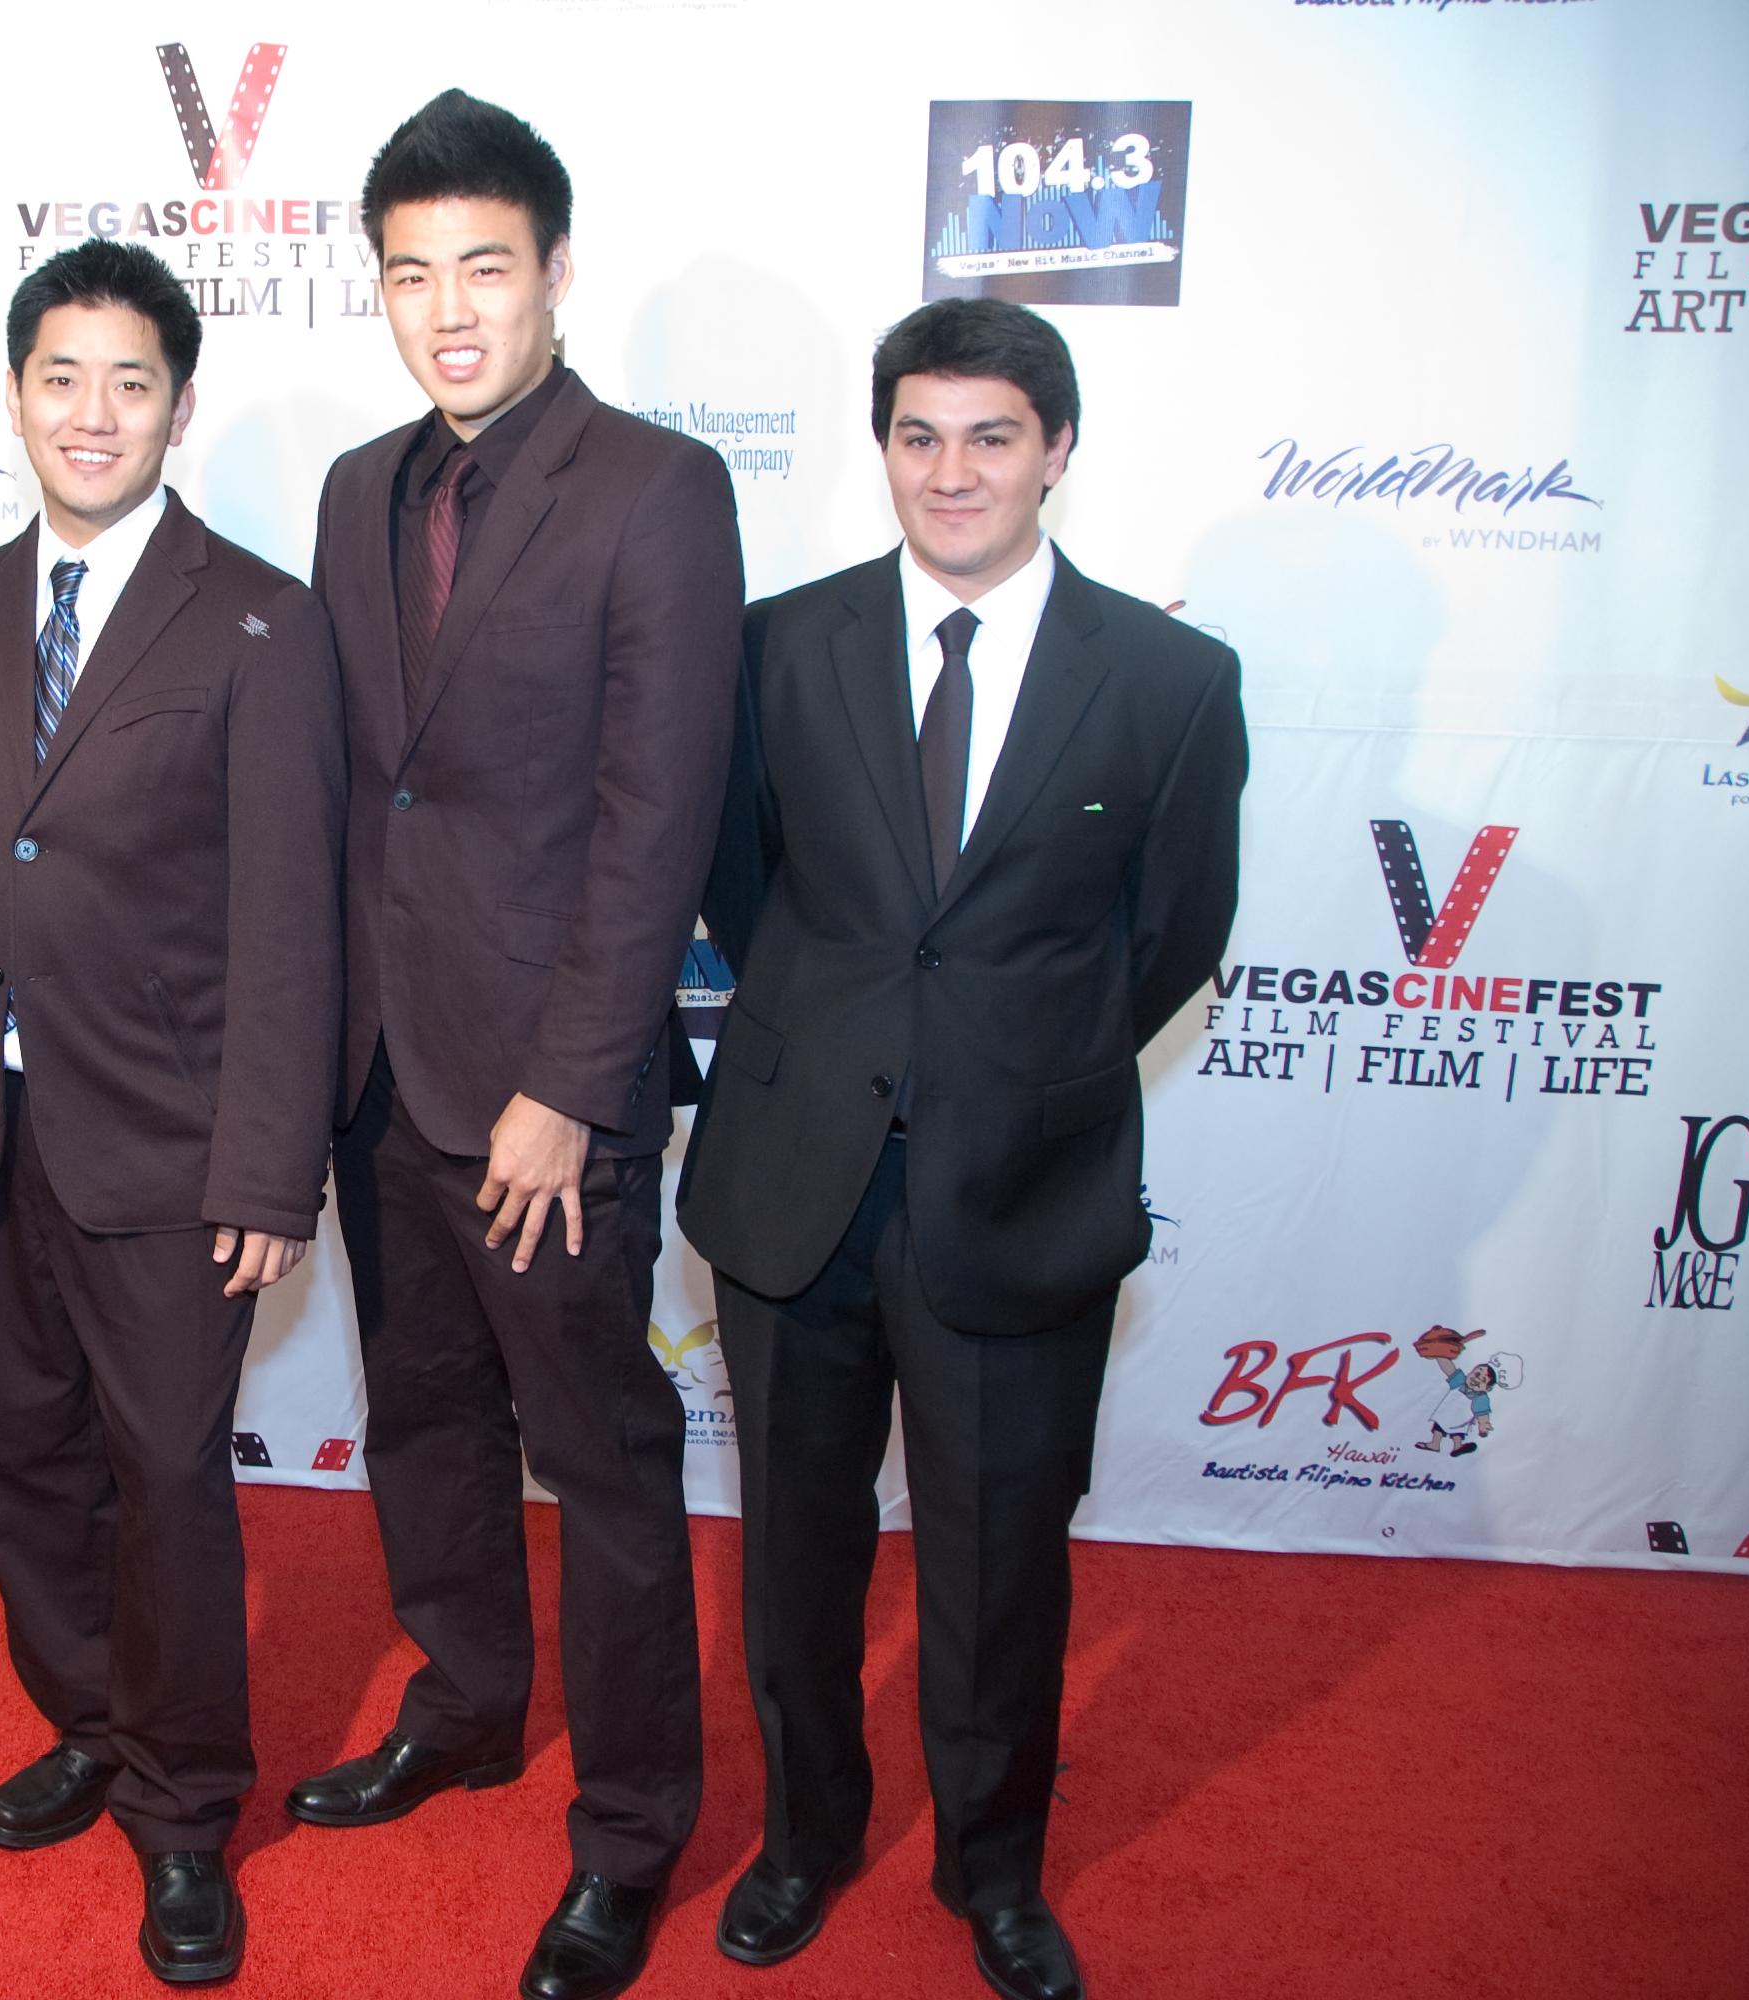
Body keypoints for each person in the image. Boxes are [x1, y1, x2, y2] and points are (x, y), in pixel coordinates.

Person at [680, 296, 1248, 2000]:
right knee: (794, 1552)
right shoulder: (783, 644)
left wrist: (1011, 1063)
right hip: (798, 1182)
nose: (953, 470)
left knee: (1001, 1565)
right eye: (918, 435)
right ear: (882, 450)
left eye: (992, 435)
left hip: (1020, 1185)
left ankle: (994, 1869)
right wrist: (849, 1041)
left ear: (1057, 451)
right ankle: (805, 1836)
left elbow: (1173, 934)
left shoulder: (1170, 680)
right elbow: (743, 884)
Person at [287, 91, 743, 2000]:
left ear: (558, 271)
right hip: (382, 1074)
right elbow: (353, 791)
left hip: (552, 1094)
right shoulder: (357, 488)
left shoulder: (655, 486)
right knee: (420, 1427)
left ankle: (631, 1831)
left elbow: (660, 819)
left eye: (487, 266)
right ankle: (468, 1700)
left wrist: (566, 1087)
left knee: (609, 1460)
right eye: (412, 273)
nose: (449, 307)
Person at [0, 239, 345, 1987]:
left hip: (170, 1148)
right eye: (61, 379)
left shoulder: (260, 616)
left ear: (179, 405)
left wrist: (267, 1169)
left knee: (166, 1482)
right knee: (22, 1461)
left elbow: (294, 918)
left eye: (129, 382)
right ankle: (82, 1718)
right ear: (15, 399)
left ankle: (182, 1804)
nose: (93, 414)